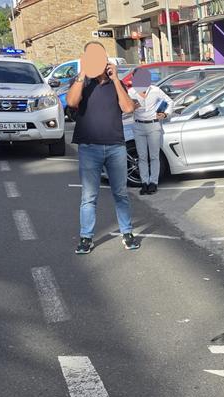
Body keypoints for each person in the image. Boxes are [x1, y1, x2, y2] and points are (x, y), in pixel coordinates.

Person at [66, 41, 140, 254]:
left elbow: (127, 108)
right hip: (89, 148)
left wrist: (116, 78)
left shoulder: (114, 83)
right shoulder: (81, 82)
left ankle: (127, 233)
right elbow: (71, 102)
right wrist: (82, 74)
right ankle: (86, 238)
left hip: (115, 146)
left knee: (121, 193)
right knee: (89, 196)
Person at [128, 69, 174, 195]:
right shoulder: (131, 92)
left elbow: (170, 101)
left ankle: (154, 183)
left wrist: (165, 114)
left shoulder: (155, 90)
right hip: (138, 125)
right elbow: (125, 108)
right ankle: (144, 183)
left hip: (154, 125)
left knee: (154, 156)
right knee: (141, 156)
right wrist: (132, 107)